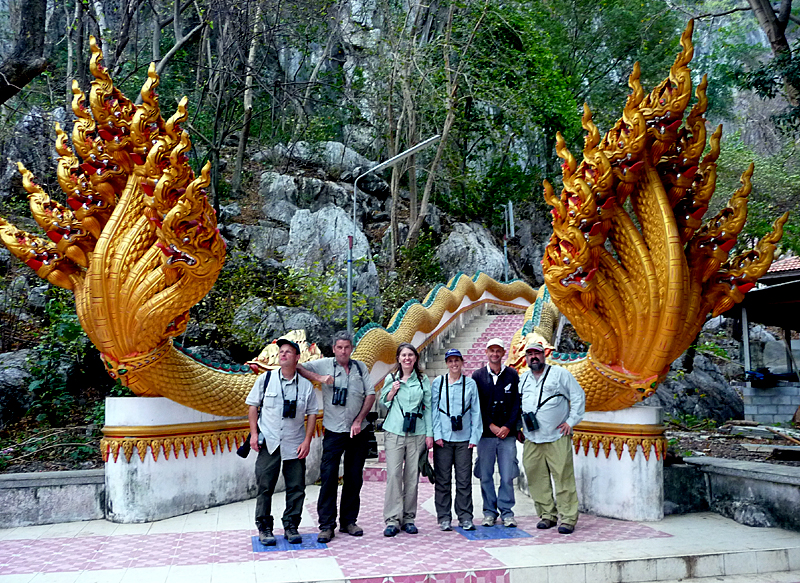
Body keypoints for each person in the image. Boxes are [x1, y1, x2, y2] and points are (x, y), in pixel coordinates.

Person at [296, 330, 376, 543]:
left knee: (354, 477)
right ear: (333, 349)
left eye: (347, 347)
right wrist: (319, 378)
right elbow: (298, 366)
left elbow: (370, 394)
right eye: (339, 347)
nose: (343, 351)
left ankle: (349, 521)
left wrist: (359, 420)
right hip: (333, 430)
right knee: (329, 477)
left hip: (357, 431)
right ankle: (326, 525)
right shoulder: (324, 364)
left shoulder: (360, 368)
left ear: (352, 348)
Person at [246, 338, 318, 546]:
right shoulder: (266, 379)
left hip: (295, 442)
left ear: (297, 357)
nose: (283, 354)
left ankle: (291, 525)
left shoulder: (305, 386)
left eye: (288, 352)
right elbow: (252, 406)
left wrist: (307, 441)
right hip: (269, 441)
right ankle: (264, 527)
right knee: (264, 486)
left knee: (296, 487)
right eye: (281, 352)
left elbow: (312, 414)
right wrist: (253, 434)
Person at [518, 334, 585, 535]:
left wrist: (571, 422)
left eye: (536, 353)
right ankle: (547, 515)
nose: (533, 357)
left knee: (563, 477)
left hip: (557, 436)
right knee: (536, 477)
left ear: (544, 354)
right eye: (529, 354)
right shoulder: (523, 379)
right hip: (532, 437)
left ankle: (568, 518)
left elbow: (578, 396)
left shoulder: (559, 374)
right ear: (526, 358)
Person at [378, 342, 433, 537]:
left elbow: (428, 407)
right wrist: (392, 391)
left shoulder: (422, 379)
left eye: (410, 355)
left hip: (416, 431)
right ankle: (392, 519)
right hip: (394, 431)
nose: (407, 358)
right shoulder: (391, 378)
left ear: (415, 358)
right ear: (398, 358)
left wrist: (429, 434)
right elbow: (382, 402)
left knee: (412, 476)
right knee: (393, 475)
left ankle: (409, 517)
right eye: (403, 355)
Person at [471, 337, 520, 527]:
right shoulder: (478, 376)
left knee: (507, 475)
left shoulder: (512, 375)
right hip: (486, 435)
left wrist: (508, 426)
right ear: (486, 353)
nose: (495, 354)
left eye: (498, 350)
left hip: (507, 435)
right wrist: (490, 425)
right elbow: (477, 406)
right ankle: (489, 512)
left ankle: (507, 512)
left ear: (503, 353)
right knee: (485, 475)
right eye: (491, 350)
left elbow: (516, 403)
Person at [431, 348, 482, 531]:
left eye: (457, 361)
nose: (454, 364)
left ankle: (465, 516)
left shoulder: (470, 384)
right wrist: (436, 434)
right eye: (450, 361)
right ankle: (444, 517)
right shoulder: (439, 383)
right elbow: (434, 410)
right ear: (446, 363)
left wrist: (474, 436)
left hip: (464, 439)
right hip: (443, 439)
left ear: (462, 362)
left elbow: (476, 411)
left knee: (463, 480)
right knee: (443, 480)